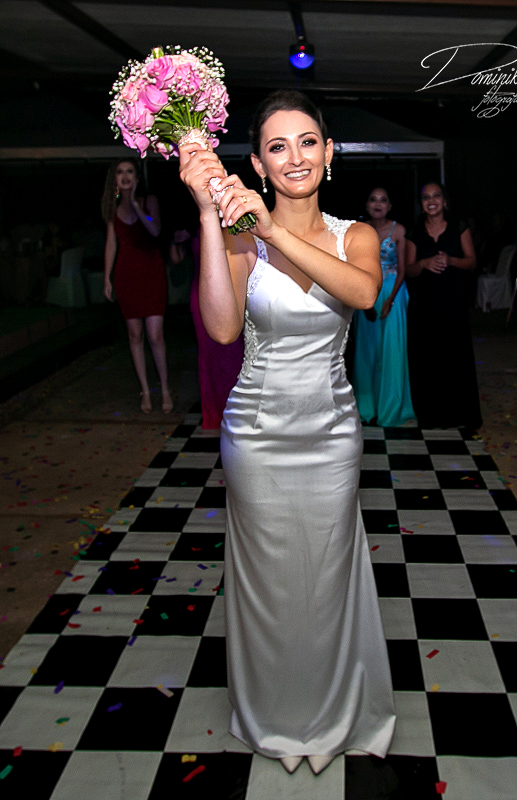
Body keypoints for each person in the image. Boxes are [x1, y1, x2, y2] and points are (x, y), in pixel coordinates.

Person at [179, 91, 396, 776]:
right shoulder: (241, 237)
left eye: (307, 142)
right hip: (256, 435)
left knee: (325, 577)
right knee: (268, 583)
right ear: (258, 164)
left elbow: (363, 295)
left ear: (328, 153)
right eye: (277, 146)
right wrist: (211, 215)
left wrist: (270, 230)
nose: (294, 157)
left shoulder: (355, 236)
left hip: (330, 435)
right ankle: (274, 713)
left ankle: (331, 712)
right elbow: (222, 328)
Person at [405, 181, 482, 430]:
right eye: (426, 197)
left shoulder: (459, 227)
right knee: (427, 359)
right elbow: (408, 269)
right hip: (424, 304)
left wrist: (451, 261)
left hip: (452, 301)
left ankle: (457, 413)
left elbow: (472, 262)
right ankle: (430, 414)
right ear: (421, 204)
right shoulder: (415, 231)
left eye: (436, 196)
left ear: (445, 201)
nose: (431, 201)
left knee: (454, 356)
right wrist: (424, 264)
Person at [102, 158, 172, 414]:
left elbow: (155, 229)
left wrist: (134, 204)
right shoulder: (112, 207)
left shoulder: (148, 201)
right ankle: (145, 390)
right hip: (126, 275)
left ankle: (165, 388)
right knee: (134, 335)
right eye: (120, 172)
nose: (125, 176)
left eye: (130, 171)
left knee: (155, 335)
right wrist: (106, 277)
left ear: (137, 177)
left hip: (151, 273)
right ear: (115, 178)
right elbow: (111, 244)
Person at [352, 187, 415, 426]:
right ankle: (367, 407)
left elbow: (402, 270)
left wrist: (390, 300)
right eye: (373, 199)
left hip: (393, 293)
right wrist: (364, 301)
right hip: (366, 291)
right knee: (367, 352)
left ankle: (390, 408)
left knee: (391, 350)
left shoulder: (398, 230)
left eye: (383, 200)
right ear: (367, 205)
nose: (378, 204)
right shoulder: (359, 230)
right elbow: (355, 267)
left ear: (389, 206)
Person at [170, 228, 244, 429]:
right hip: (202, 297)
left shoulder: (236, 222)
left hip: (233, 294)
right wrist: (175, 241)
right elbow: (176, 259)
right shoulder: (195, 226)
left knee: (234, 354)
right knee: (208, 356)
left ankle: (237, 409)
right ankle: (213, 412)